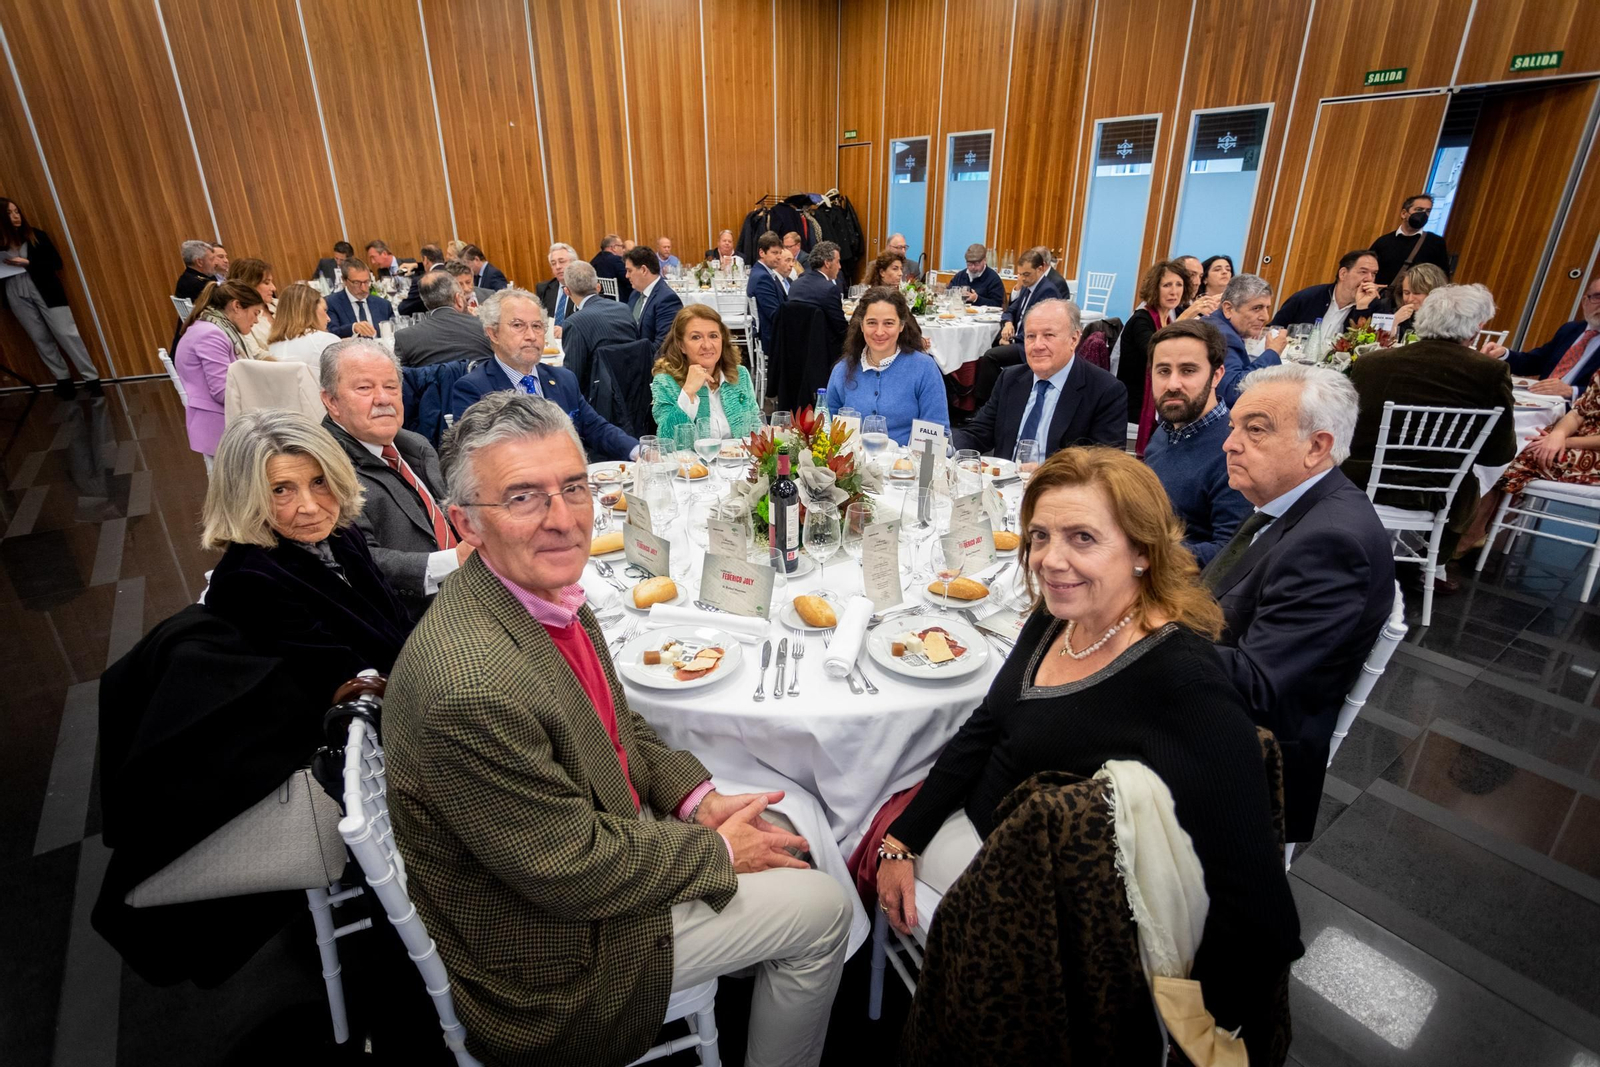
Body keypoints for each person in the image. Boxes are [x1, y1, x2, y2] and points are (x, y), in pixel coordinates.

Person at [383, 391, 851, 1067]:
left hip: (598, 849)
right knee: (825, 907)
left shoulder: (539, 594)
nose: (564, 519)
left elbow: (617, 724)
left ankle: (752, 949)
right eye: (522, 497)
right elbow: (573, 870)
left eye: (573, 486)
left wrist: (699, 801)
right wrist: (718, 852)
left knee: (793, 816)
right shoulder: (470, 690)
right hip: (562, 963)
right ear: (465, 524)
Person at [875, 446, 1301, 1066]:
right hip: (988, 837)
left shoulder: (1182, 683)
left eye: (1082, 538)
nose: (1051, 560)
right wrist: (902, 840)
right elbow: (986, 727)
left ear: (1142, 551)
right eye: (1041, 536)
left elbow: (1261, 910)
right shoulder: (1057, 619)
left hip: (1052, 912)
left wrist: (1202, 1032)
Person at [1205, 363, 1394, 843]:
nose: (1229, 444)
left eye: (1256, 430)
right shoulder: (1297, 505)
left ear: (1317, 447)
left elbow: (1257, 685)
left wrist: (1136, 633)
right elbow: (1231, 584)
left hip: (1247, 756)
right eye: (1234, 428)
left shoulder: (1331, 542)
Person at [202, 409, 411, 693]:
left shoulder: (342, 534)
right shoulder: (248, 581)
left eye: (319, 481)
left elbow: (397, 617)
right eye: (280, 490)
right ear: (246, 498)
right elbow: (337, 680)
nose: (310, 507)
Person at [1343, 284, 1517, 572]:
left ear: (1422, 319)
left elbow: (1349, 430)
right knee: (1468, 481)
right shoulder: (1489, 372)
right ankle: (1432, 566)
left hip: (1358, 480)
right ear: (1475, 329)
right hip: (1434, 491)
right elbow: (1498, 453)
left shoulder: (1372, 362)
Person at [318, 338, 470, 622]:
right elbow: (356, 560)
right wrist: (453, 561)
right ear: (331, 401)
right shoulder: (324, 467)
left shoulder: (413, 445)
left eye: (391, 386)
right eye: (364, 388)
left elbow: (453, 510)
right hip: (410, 617)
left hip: (467, 587)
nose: (383, 399)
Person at [448, 287, 639, 461]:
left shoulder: (563, 379)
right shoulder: (474, 390)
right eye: (518, 325)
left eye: (537, 326)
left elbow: (596, 427)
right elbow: (477, 461)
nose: (531, 336)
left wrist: (638, 451)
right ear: (493, 334)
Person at [954, 299, 1125, 459]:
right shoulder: (1010, 379)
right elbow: (979, 432)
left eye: (1048, 335)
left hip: (1060, 487)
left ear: (1074, 339)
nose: (1037, 345)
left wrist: (1045, 476)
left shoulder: (1105, 391)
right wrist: (944, 446)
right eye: (1031, 336)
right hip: (1004, 486)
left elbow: (1105, 465)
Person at [1144, 319, 1252, 565]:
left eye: (1188, 370)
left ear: (1217, 376)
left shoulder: (1235, 451)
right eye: (1163, 371)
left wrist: (1143, 552)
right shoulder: (1167, 430)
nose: (1172, 384)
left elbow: (1232, 552)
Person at [1, 196, 101, 397]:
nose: (15, 217)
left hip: (46, 289)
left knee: (67, 333)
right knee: (40, 338)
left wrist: (28, 263)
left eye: (17, 211)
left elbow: (56, 263)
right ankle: (63, 379)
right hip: (14, 290)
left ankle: (91, 378)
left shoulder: (36, 236)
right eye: (9, 213)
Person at [825, 286, 947, 445]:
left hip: (907, 466)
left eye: (888, 323)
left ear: (901, 325)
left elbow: (937, 434)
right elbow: (826, 429)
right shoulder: (842, 370)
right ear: (861, 325)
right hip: (853, 466)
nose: (880, 332)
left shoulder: (924, 368)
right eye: (871, 323)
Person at [173, 281, 266, 462]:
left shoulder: (209, 326)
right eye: (255, 313)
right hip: (218, 425)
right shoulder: (211, 334)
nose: (256, 321)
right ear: (237, 306)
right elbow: (223, 392)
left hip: (216, 419)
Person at [651, 305, 762, 441]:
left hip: (739, 460)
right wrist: (688, 392)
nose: (707, 345)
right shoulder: (666, 382)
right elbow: (666, 440)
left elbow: (755, 425)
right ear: (681, 345)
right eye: (696, 337)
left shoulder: (739, 374)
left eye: (713, 336)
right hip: (691, 462)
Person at [1118, 259, 1194, 450]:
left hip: (1157, 401)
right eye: (1167, 285)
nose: (1174, 291)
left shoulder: (1167, 318)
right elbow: (1159, 352)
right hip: (1134, 408)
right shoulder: (1141, 320)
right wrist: (1185, 319)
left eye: (1179, 285)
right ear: (1155, 288)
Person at [1484, 275, 1600, 400]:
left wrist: (1572, 391)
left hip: (1578, 412)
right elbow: (1535, 362)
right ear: (1585, 302)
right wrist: (1504, 354)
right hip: (1539, 401)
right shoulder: (1570, 330)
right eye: (1598, 297)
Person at [1496, 374, 1600, 496]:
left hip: (1593, 452)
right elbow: (1577, 414)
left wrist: (1565, 442)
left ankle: (1485, 512)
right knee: (1511, 442)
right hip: (1577, 436)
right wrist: (1558, 435)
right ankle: (1489, 511)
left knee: (1512, 456)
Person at [1270, 249, 1383, 344]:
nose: (1369, 279)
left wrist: (1362, 308)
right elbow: (1273, 330)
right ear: (1343, 274)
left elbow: (1364, 349)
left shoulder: (1375, 308)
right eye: (1363, 272)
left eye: (1374, 274)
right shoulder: (1307, 298)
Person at [1206, 274, 1286, 406]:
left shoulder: (1217, 324)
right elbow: (1233, 391)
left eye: (1267, 308)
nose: (1265, 317)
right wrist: (1272, 352)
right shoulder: (1223, 337)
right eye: (1257, 308)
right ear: (1228, 309)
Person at [558, 260, 640, 388]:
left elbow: (573, 377)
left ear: (567, 291)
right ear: (598, 287)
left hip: (599, 397)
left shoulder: (574, 323)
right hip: (635, 389)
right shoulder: (624, 309)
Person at [393, 268, 495, 367]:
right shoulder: (486, 328)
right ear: (458, 299)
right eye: (463, 295)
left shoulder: (404, 338)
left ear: (426, 303)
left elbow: (401, 380)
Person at [1369, 193, 1451, 286]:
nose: (1423, 214)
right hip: (1383, 297)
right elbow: (1368, 269)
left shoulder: (1435, 242)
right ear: (1404, 213)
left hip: (1414, 298)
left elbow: (1442, 277)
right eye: (1419, 209)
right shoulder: (1383, 241)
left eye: (1428, 211)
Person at [787, 240, 848, 357]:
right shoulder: (829, 289)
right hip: (824, 351)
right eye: (838, 262)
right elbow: (841, 329)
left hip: (794, 348)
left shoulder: (795, 284)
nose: (840, 267)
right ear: (827, 263)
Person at [265, 281, 340, 368]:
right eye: (324, 310)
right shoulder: (325, 340)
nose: (328, 319)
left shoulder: (273, 346)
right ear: (309, 311)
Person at [997, 248, 1063, 345]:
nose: (1023, 279)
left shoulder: (1047, 291)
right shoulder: (1027, 287)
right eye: (1020, 274)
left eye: (1027, 274)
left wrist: (1012, 341)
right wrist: (1008, 323)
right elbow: (1010, 310)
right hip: (1017, 337)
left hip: (1029, 344)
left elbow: (1038, 328)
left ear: (1040, 269)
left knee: (990, 356)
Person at [624, 246, 684, 352]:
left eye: (629, 271)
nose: (626, 276)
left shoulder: (667, 299)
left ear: (643, 270)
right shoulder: (635, 294)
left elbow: (663, 345)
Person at [325, 259, 394, 339]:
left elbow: (394, 331)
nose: (363, 288)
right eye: (356, 283)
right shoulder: (331, 303)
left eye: (366, 282)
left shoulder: (383, 305)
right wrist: (353, 328)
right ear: (344, 281)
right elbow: (330, 333)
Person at [226, 257, 277, 359]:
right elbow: (255, 355)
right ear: (249, 285)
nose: (274, 288)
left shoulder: (280, 304)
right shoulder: (239, 317)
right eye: (266, 283)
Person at [747, 231, 789, 353]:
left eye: (780, 253)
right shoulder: (762, 277)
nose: (779, 257)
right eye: (774, 253)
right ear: (762, 252)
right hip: (772, 336)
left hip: (771, 331)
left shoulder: (761, 272)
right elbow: (775, 314)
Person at [1386, 262, 1449, 339]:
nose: (1410, 299)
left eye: (1417, 293)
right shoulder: (1392, 313)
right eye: (1406, 293)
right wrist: (1393, 322)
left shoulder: (1448, 320)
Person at [945, 243, 1004, 307]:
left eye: (976, 264)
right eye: (969, 264)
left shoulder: (993, 278)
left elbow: (997, 303)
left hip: (984, 315)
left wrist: (976, 299)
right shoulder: (960, 276)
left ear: (984, 261)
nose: (973, 267)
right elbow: (949, 293)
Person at [396, 243, 448, 317]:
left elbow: (404, 309)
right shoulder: (454, 272)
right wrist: (416, 265)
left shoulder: (422, 281)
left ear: (426, 260)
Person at [537, 241, 579, 330]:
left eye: (561, 261)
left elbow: (589, 322)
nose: (558, 267)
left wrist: (565, 331)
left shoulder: (585, 288)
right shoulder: (544, 289)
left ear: (574, 263)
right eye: (553, 263)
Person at [590, 233, 633, 302]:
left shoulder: (595, 260)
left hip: (600, 298)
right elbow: (627, 279)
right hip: (621, 299)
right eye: (622, 246)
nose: (623, 250)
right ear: (614, 247)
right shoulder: (616, 260)